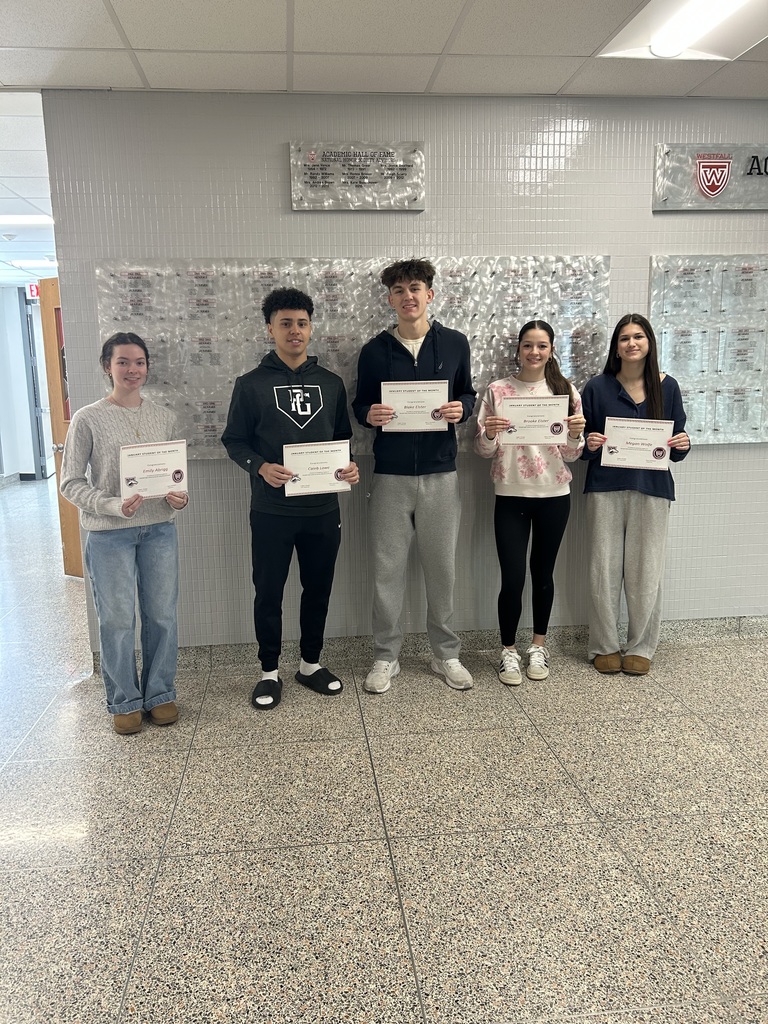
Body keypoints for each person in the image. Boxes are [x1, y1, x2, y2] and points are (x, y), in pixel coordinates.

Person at [221, 287, 359, 711]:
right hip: (271, 510)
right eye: (285, 323)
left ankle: (310, 664)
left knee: (318, 589)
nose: (294, 331)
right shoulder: (250, 385)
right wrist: (260, 467)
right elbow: (235, 440)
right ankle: (268, 671)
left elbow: (342, 441)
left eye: (301, 323)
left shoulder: (332, 383)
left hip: (322, 510)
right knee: (268, 591)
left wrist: (349, 468)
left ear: (311, 327)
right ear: (270, 329)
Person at [352, 258, 477, 694]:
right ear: (390, 299)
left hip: (441, 474)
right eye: (400, 290)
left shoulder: (456, 344)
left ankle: (446, 654)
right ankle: (386, 657)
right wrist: (368, 413)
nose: (409, 296)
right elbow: (360, 406)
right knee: (387, 570)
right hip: (390, 475)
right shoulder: (374, 351)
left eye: (416, 288)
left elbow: (467, 393)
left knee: (442, 569)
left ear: (430, 295)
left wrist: (463, 408)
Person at [60, 332, 188, 735]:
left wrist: (179, 499)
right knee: (117, 619)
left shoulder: (164, 417)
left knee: (162, 616)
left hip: (158, 529)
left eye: (139, 362)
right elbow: (70, 483)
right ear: (107, 367)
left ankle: (160, 694)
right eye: (123, 362)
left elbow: (172, 475)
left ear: (147, 367)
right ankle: (124, 700)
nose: (132, 370)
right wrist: (112, 504)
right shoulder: (88, 418)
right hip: (109, 534)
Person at [475, 320, 585, 685]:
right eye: (527, 345)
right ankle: (508, 651)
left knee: (543, 574)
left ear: (551, 349)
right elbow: (484, 449)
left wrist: (575, 434)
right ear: (518, 349)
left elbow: (570, 454)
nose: (534, 352)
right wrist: (490, 431)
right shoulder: (498, 390)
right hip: (510, 493)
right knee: (511, 576)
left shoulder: (565, 389)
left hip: (554, 495)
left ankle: (538, 646)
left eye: (541, 346)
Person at [582, 313, 691, 675]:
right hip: (605, 489)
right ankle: (604, 645)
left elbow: (676, 447)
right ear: (616, 346)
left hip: (653, 489)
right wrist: (590, 442)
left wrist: (684, 443)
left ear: (649, 343)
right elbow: (581, 446)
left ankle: (642, 645)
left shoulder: (668, 386)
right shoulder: (597, 387)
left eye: (639, 337)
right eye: (625, 338)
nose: (632, 343)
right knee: (604, 569)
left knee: (646, 571)